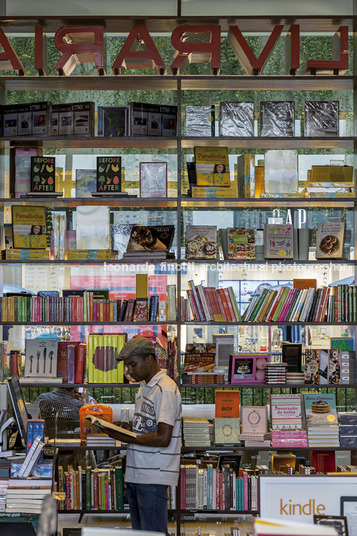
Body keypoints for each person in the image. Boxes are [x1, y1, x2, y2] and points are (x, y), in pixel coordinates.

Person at [107, 336, 182, 536]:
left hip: (154, 474)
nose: (129, 371)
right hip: (138, 471)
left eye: (132, 364)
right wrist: (127, 428)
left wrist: (128, 437)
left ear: (150, 359)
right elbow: (148, 426)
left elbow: (163, 437)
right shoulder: (144, 387)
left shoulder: (164, 389)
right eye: (127, 366)